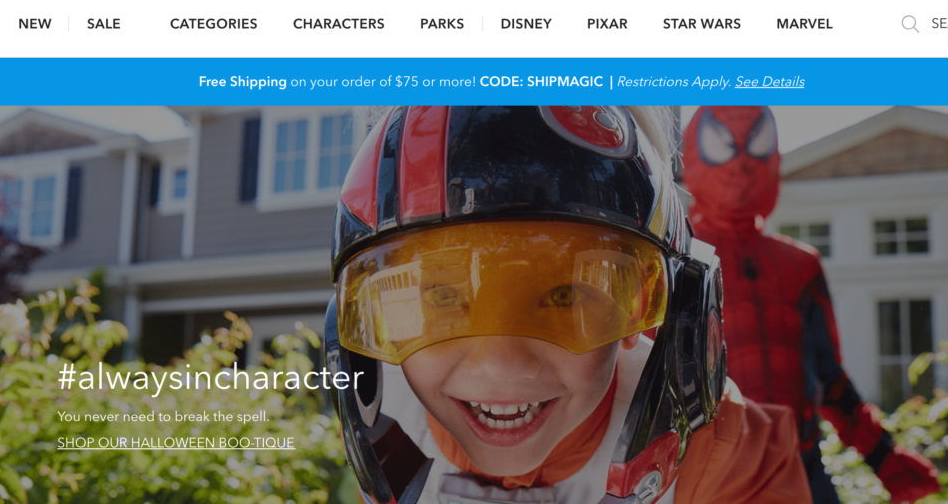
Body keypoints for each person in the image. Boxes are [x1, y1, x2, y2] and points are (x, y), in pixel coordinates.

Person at [325, 106, 811, 504]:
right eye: (444, 297)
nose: (502, 365)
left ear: (650, 304)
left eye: (564, 295)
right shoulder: (385, 426)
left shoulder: (726, 453)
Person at [680, 106, 941, 504]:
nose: (741, 162)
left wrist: (883, 455)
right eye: (724, 145)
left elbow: (829, 377)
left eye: (755, 144)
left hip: (801, 463)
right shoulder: (678, 258)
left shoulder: (800, 265)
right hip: (715, 473)